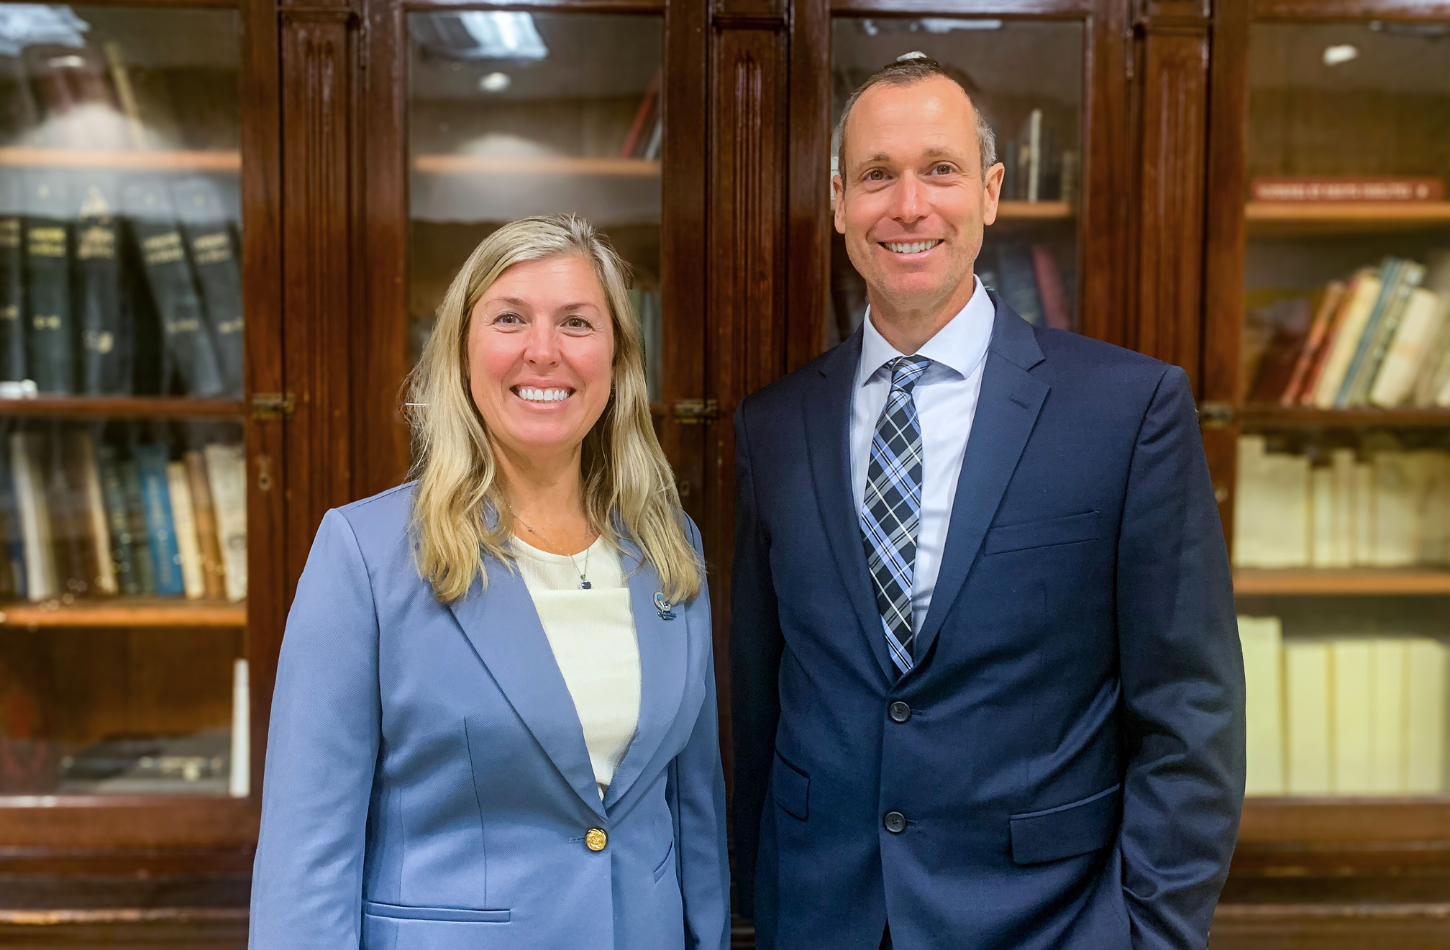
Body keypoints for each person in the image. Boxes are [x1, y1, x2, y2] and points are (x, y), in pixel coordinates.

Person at [730, 55, 1244, 950]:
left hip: (1048, 922)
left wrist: (1149, 934)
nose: (909, 205)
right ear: (840, 202)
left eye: (941, 169)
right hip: (820, 915)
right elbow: (758, 695)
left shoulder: (1128, 411)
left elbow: (1190, 711)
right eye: (877, 175)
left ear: (991, 192)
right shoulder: (772, 426)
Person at [250, 214, 729, 949]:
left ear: (618, 360)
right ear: (462, 353)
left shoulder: (669, 543)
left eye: (576, 322)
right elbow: (306, 858)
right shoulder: (364, 557)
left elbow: (693, 806)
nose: (544, 351)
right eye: (510, 319)